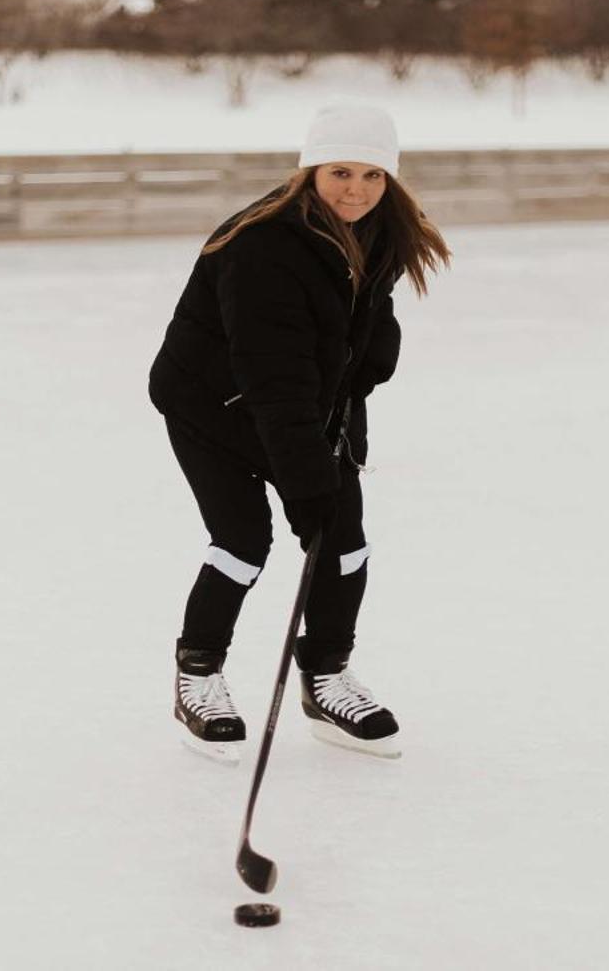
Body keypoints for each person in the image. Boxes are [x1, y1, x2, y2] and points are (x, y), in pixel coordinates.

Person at [148, 104, 451, 761]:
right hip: (212, 405)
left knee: (344, 543)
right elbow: (274, 378)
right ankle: (197, 675)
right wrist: (309, 479)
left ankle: (326, 676)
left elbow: (357, 325)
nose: (356, 189)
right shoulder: (262, 247)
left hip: (297, 402)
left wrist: (369, 362)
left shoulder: (379, 231)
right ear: (310, 169)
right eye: (340, 171)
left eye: (373, 175)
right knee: (243, 539)